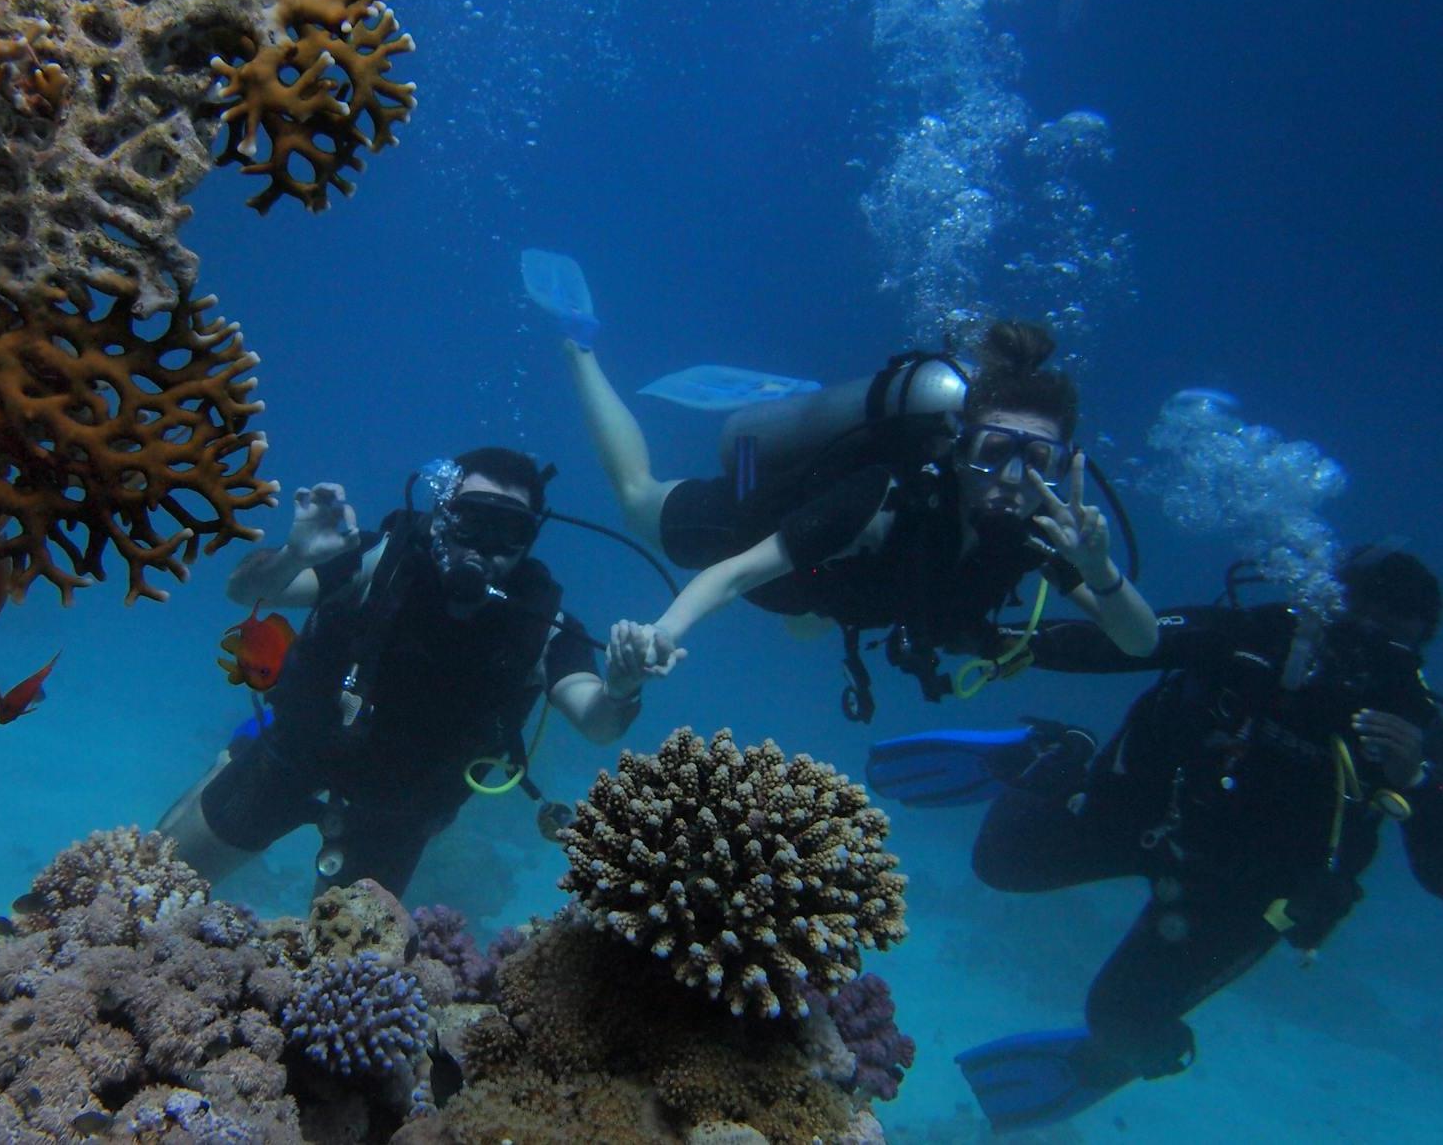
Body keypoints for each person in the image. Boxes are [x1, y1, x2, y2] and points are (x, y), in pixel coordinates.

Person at [880, 548, 1443, 1130]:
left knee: (1124, 1024)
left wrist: (1420, 782)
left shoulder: (1421, 727)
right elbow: (1130, 640)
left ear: (1422, 641)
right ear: (1327, 603)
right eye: (1359, 613)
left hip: (1242, 896)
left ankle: (1118, 1051)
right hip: (1145, 819)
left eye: (1394, 629)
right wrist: (994, 640)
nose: (1368, 639)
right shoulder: (1258, 637)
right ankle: (1055, 753)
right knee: (1001, 863)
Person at [561, 319, 1158, 715]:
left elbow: (1140, 641)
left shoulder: (1048, 535)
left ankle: (782, 421)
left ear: (1064, 466)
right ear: (958, 446)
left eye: (1038, 460)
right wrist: (663, 634)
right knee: (638, 498)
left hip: (825, 592)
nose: (1010, 479)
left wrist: (1098, 569)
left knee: (808, 621)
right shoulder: (880, 495)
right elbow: (736, 575)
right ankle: (579, 348)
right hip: (753, 527)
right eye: (994, 452)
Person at [157, 447, 655, 897]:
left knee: (345, 976)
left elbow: (597, 721)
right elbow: (247, 593)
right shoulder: (380, 561)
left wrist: (622, 688)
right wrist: (294, 556)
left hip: (398, 812)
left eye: (510, 530)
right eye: (471, 520)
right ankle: (238, 753)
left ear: (531, 538)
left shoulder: (542, 625)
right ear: (441, 515)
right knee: (157, 884)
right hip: (293, 754)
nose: (484, 545)